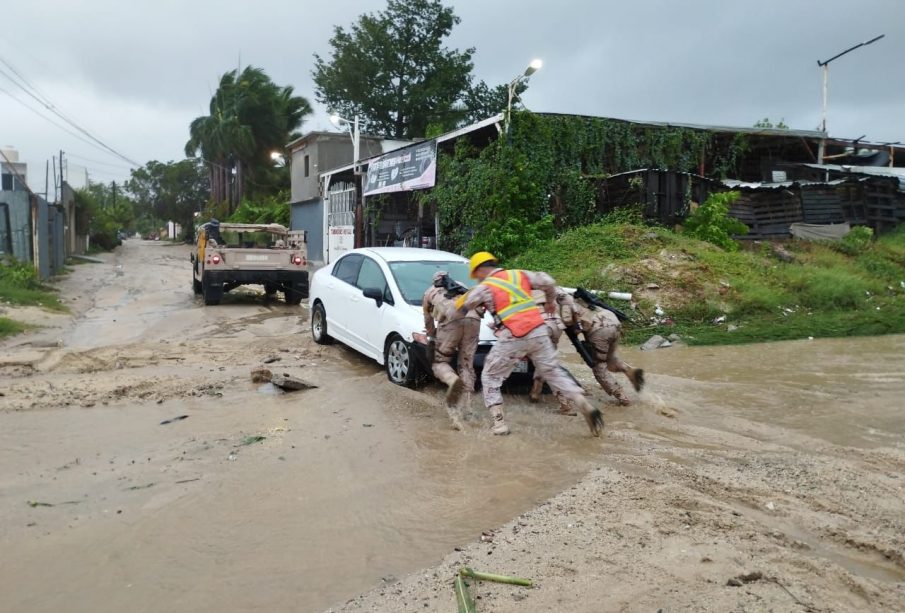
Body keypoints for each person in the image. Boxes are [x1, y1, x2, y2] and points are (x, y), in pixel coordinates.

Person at [457, 252, 604, 437]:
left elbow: (465, 306)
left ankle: (499, 423)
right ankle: (583, 403)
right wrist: (550, 302)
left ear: (480, 269)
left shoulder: (484, 287)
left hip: (513, 336)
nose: (476, 278)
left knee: (489, 376)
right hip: (538, 330)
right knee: (552, 371)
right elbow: (548, 281)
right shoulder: (519, 274)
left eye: (476, 274)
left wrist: (454, 308)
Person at [557, 291, 644, 405]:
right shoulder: (571, 296)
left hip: (599, 328)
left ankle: (622, 398)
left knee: (598, 367)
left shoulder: (560, 303)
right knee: (610, 358)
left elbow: (571, 324)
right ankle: (629, 370)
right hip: (611, 319)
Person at [422, 271, 481, 430]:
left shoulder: (429, 292)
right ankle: (468, 409)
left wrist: (433, 335)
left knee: (440, 362)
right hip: (474, 320)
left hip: (450, 321)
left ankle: (452, 380)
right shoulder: (461, 286)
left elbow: (428, 319)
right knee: (467, 365)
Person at [528, 289, 577, 416]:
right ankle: (535, 392)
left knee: (548, 367)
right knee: (546, 362)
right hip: (556, 326)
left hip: (541, 327)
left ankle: (565, 405)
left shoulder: (526, 291)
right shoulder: (553, 291)